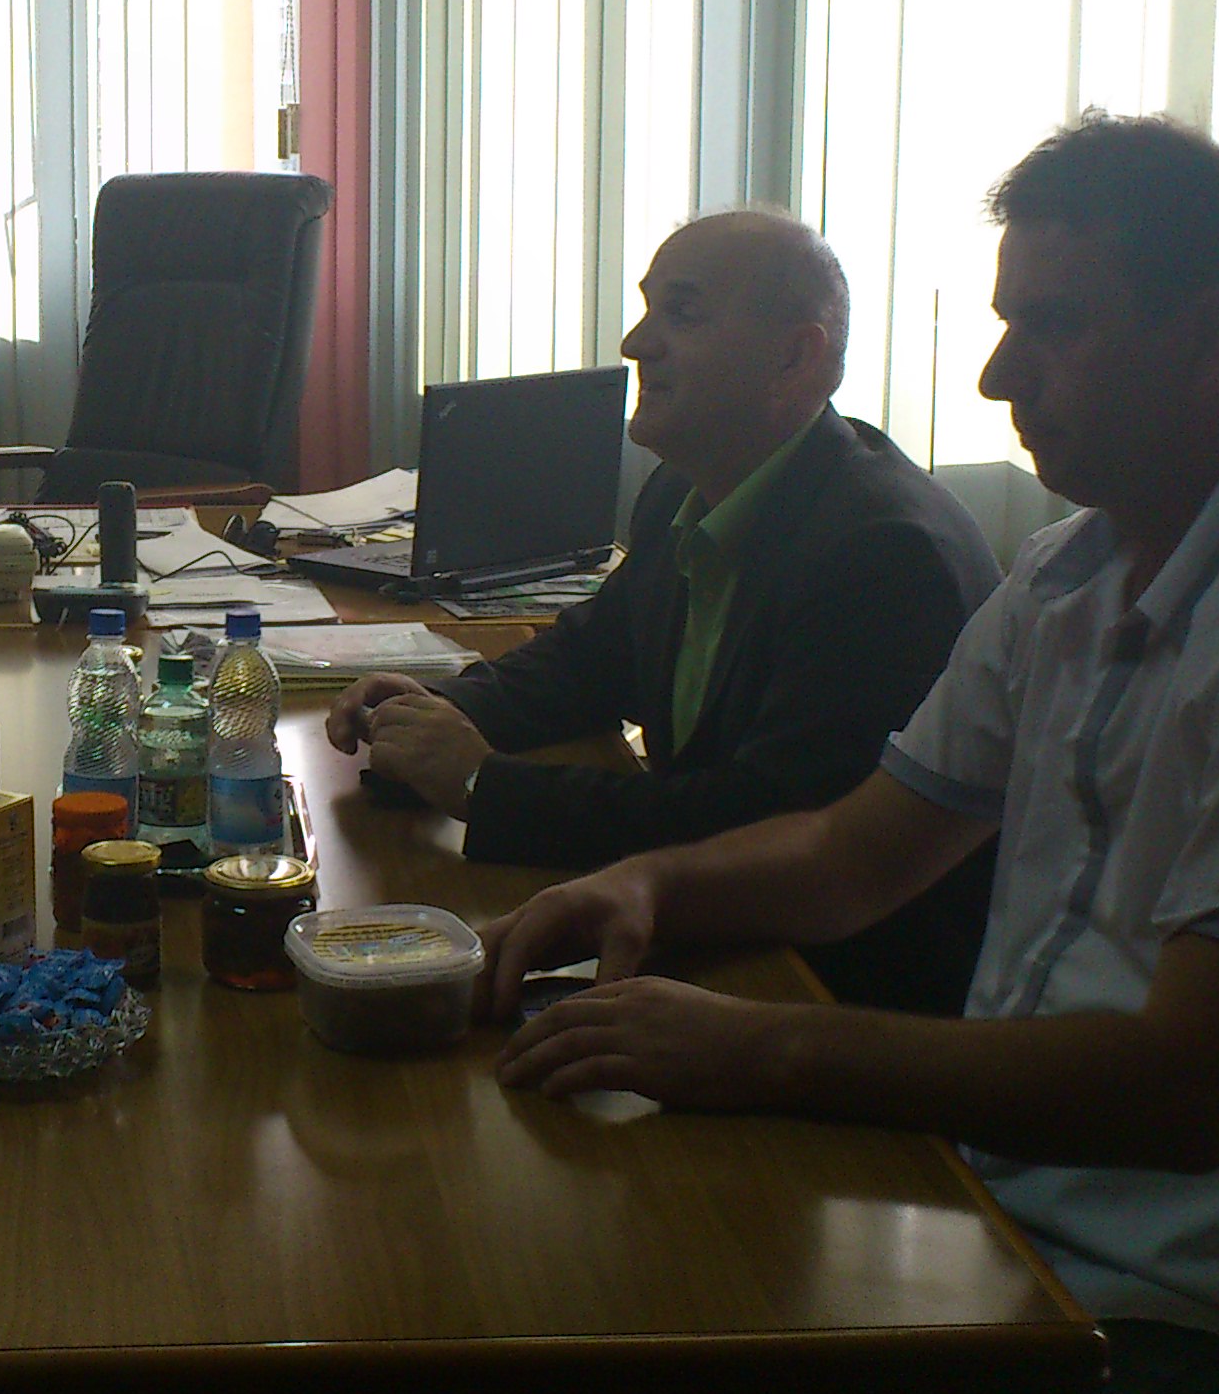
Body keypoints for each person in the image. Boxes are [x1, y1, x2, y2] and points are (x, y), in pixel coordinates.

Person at [482, 116, 1219, 1394]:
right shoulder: (1069, 573)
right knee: (589, 1260)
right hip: (1029, 1209)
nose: (998, 377)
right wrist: (649, 885)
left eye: (1054, 327)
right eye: (1006, 324)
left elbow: (1182, 1093)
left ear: (1210, 338)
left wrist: (761, 1049)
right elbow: (853, 854)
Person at [324, 210, 1000, 1014]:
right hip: (713, 937)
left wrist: (483, 784)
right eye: (648, 308)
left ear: (793, 357)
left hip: (834, 993)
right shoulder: (687, 485)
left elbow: (762, 820)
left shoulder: (882, 556)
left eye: (682, 313)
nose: (635, 342)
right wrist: (438, 708)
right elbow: (591, 658)